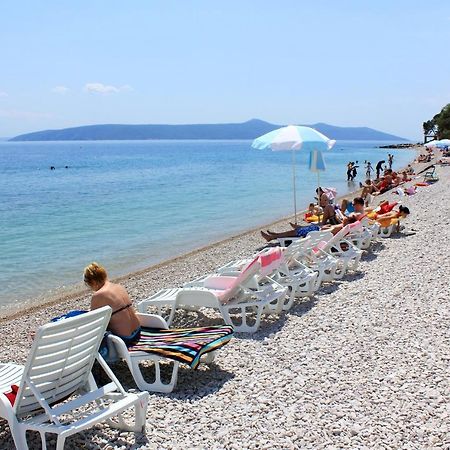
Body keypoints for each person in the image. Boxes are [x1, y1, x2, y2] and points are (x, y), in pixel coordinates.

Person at [83, 262, 141, 345]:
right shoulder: (118, 286)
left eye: (88, 284)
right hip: (138, 331)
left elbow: (94, 324)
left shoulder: (98, 295)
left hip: (125, 339)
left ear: (92, 281)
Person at [260, 216, 357, 242]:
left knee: (294, 232)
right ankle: (274, 235)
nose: (345, 218)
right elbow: (331, 230)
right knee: (297, 230)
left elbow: (328, 232)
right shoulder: (344, 227)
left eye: (347, 218)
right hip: (318, 232)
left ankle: (272, 237)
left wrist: (323, 228)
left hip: (317, 235)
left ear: (349, 222)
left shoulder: (342, 227)